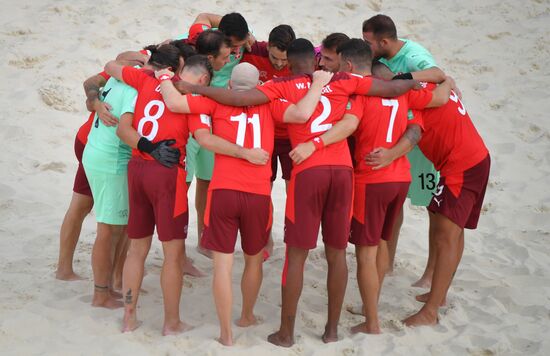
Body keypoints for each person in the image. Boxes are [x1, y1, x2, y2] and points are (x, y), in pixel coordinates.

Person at [174, 37, 419, 346]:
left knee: (297, 255)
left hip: (307, 172)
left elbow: (240, 99)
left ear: (288, 63)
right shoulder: (343, 79)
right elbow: (392, 89)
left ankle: (286, 333)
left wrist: (196, 88)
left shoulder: (281, 87)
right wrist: (413, 81)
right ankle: (332, 331)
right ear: (316, 62)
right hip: (342, 170)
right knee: (337, 253)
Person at [156, 62, 333, 345]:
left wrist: (164, 76)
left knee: (222, 266)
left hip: (223, 190)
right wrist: (318, 84)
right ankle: (246, 315)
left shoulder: (213, 102)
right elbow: (302, 113)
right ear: (257, 87)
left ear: (229, 86)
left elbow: (183, 113)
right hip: (258, 194)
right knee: (253, 260)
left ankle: (226, 333)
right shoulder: (270, 104)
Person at [291, 39, 452, 334]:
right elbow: (419, 124)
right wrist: (448, 79)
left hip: (371, 179)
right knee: (381, 246)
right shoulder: (404, 94)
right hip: (400, 178)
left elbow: (348, 125)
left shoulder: (360, 96)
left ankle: (372, 322)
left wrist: (315, 143)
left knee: (366, 253)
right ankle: (371, 306)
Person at [365, 81, 490, 327]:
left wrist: (390, 154)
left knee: (446, 235)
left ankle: (431, 311)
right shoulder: (428, 84)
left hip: (461, 165)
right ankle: (439, 296)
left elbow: (413, 135)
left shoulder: (413, 99)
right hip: (471, 159)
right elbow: (442, 79)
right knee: (451, 229)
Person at [105, 47, 211, 335]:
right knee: (173, 255)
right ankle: (171, 322)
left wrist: (150, 69)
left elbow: (111, 65)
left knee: (137, 250)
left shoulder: (146, 81)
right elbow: (203, 137)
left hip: (137, 169)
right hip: (167, 176)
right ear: (201, 79)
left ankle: (129, 317)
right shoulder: (192, 100)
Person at [362, 14, 453, 279]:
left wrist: (403, 77)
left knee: (431, 206)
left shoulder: (412, 53)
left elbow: (439, 74)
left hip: (425, 139)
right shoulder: (380, 56)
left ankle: (430, 271)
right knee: (396, 202)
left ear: (385, 41)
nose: (365, 45)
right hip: (400, 136)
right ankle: (387, 262)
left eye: (368, 41)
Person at [82, 74, 137, 309]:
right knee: (107, 230)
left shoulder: (117, 76)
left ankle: (112, 284)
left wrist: (94, 103)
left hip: (97, 153)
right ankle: (100, 294)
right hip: (111, 161)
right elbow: (124, 132)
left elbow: (89, 85)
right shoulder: (134, 92)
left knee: (120, 227)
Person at [241, 24, 296, 259]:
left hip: (293, 134)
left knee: (295, 188)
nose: (280, 64)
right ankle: (267, 238)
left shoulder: (303, 59)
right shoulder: (253, 50)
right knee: (264, 188)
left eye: (285, 60)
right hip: (262, 134)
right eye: (275, 57)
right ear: (268, 46)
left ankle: (293, 237)